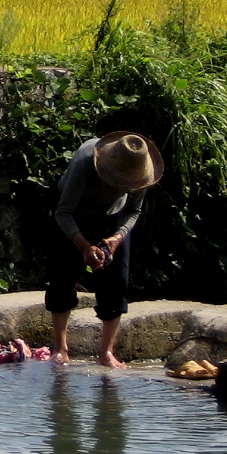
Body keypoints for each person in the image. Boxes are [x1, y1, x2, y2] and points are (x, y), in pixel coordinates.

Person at [47, 131, 164, 368]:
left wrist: (117, 238)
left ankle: (107, 352)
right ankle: (61, 349)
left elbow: (134, 211)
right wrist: (83, 245)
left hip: (114, 219)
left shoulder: (142, 173)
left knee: (116, 282)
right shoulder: (85, 162)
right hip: (74, 213)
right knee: (62, 277)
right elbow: (63, 211)